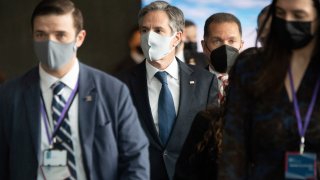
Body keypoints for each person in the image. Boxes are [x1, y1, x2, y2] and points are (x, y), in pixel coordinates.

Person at [0, 0, 149, 179]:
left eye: (60, 35)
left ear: (79, 38)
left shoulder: (113, 91)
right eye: (41, 34)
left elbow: (135, 161)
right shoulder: (9, 96)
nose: (49, 43)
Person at [219, 0, 320, 179]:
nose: (287, 22)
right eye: (280, 13)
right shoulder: (251, 67)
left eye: (298, 16)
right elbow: (234, 148)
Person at [119, 1, 219, 180]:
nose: (149, 38)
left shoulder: (205, 81)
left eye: (158, 30)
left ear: (177, 37)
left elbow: (210, 140)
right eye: (144, 30)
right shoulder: (121, 84)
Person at [201, 12, 243, 104]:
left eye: (231, 41)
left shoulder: (256, 82)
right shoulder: (193, 83)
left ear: (241, 45)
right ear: (204, 46)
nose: (225, 47)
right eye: (217, 41)